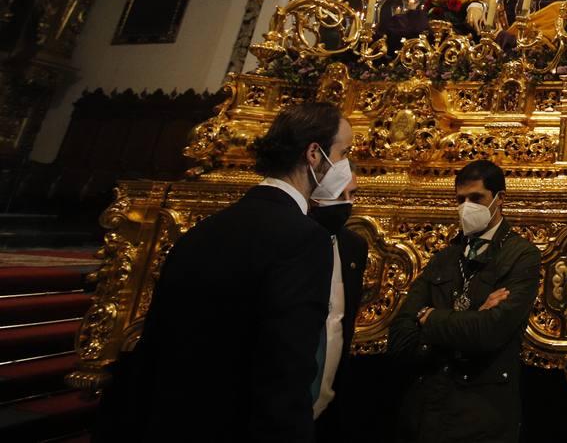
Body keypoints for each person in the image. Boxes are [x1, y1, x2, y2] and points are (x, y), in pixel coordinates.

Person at [97, 102, 351, 443]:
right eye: (344, 152)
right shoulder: (305, 240)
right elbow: (286, 366)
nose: (348, 167)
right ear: (314, 155)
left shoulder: (204, 230)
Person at [388, 159, 543, 443]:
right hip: (427, 410)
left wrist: (430, 318)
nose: (466, 207)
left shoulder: (522, 256)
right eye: (460, 200)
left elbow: (489, 332)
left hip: (482, 414)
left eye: (476, 198)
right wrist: (473, 317)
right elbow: (399, 339)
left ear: (500, 200)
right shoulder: (445, 258)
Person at [312, 174, 370, 443]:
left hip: (330, 388)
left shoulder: (354, 246)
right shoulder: (291, 238)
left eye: (353, 195)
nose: (348, 204)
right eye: (339, 196)